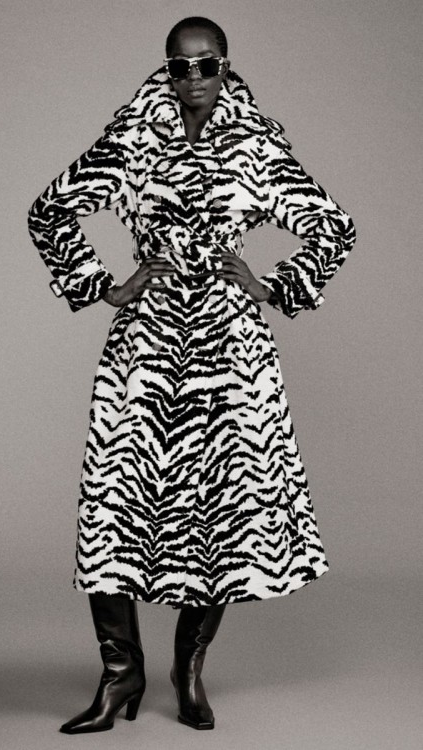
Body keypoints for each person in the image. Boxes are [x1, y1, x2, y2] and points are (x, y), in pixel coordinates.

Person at [27, 16, 356, 734]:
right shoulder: (133, 138)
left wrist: (272, 287)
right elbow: (49, 212)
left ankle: (188, 668)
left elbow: (334, 226)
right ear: (168, 70)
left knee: (224, 514)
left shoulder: (257, 145)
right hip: (146, 345)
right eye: (181, 65)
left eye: (207, 64)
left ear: (226, 64)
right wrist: (107, 286)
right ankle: (120, 675)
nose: (194, 77)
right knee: (112, 506)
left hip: (231, 350)